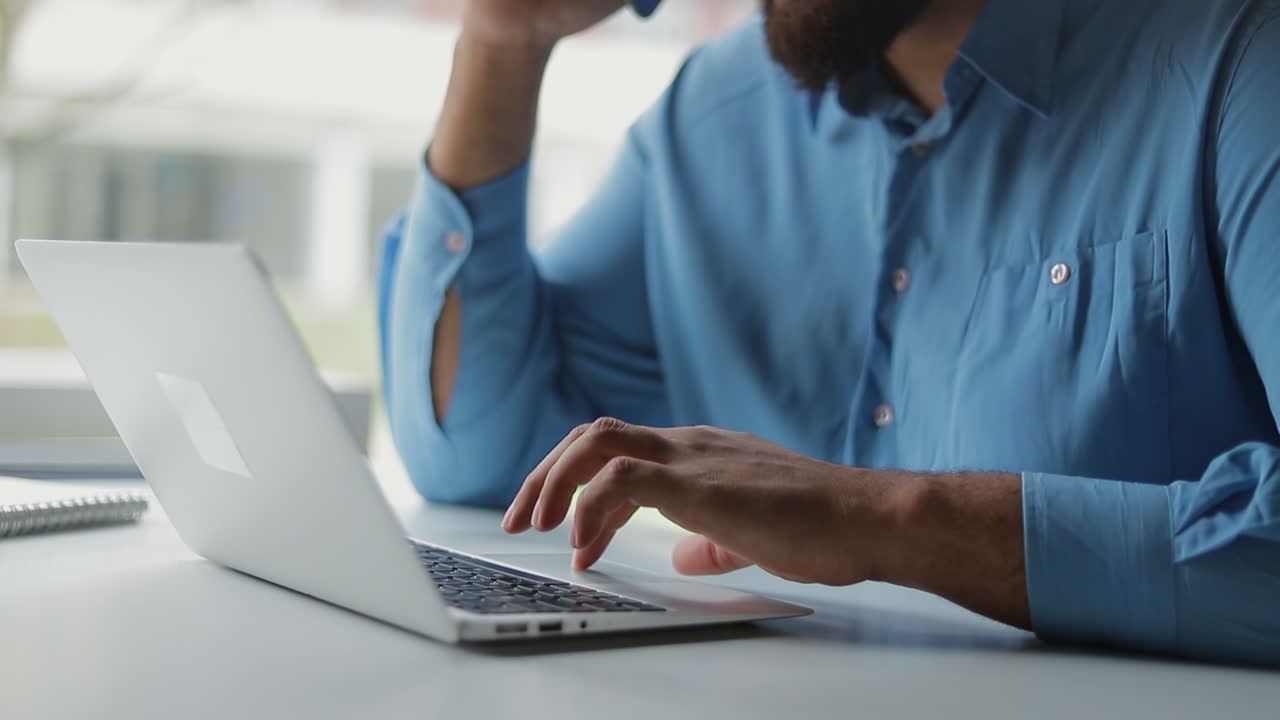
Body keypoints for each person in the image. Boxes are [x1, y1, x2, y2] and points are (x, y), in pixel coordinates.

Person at [377, 0, 1280, 665]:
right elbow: (478, 451)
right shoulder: (714, 115)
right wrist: (504, 42)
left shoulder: (1240, 68)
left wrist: (893, 517)